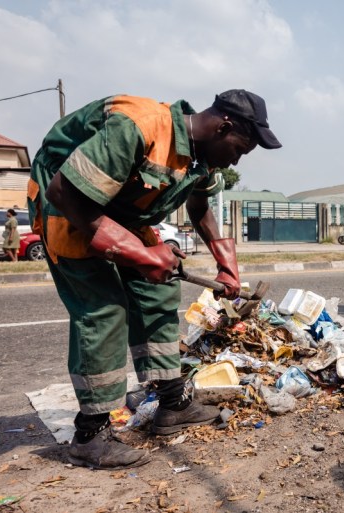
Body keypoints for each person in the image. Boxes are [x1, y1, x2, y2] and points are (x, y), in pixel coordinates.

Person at [27, 89, 281, 469]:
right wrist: (144, 255)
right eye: (240, 149)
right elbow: (65, 192)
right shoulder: (141, 127)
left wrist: (227, 265)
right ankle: (89, 436)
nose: (237, 159)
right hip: (68, 204)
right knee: (105, 308)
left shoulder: (200, 158)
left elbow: (200, 209)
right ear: (223, 126)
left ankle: (173, 404)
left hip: (121, 216)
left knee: (158, 292)